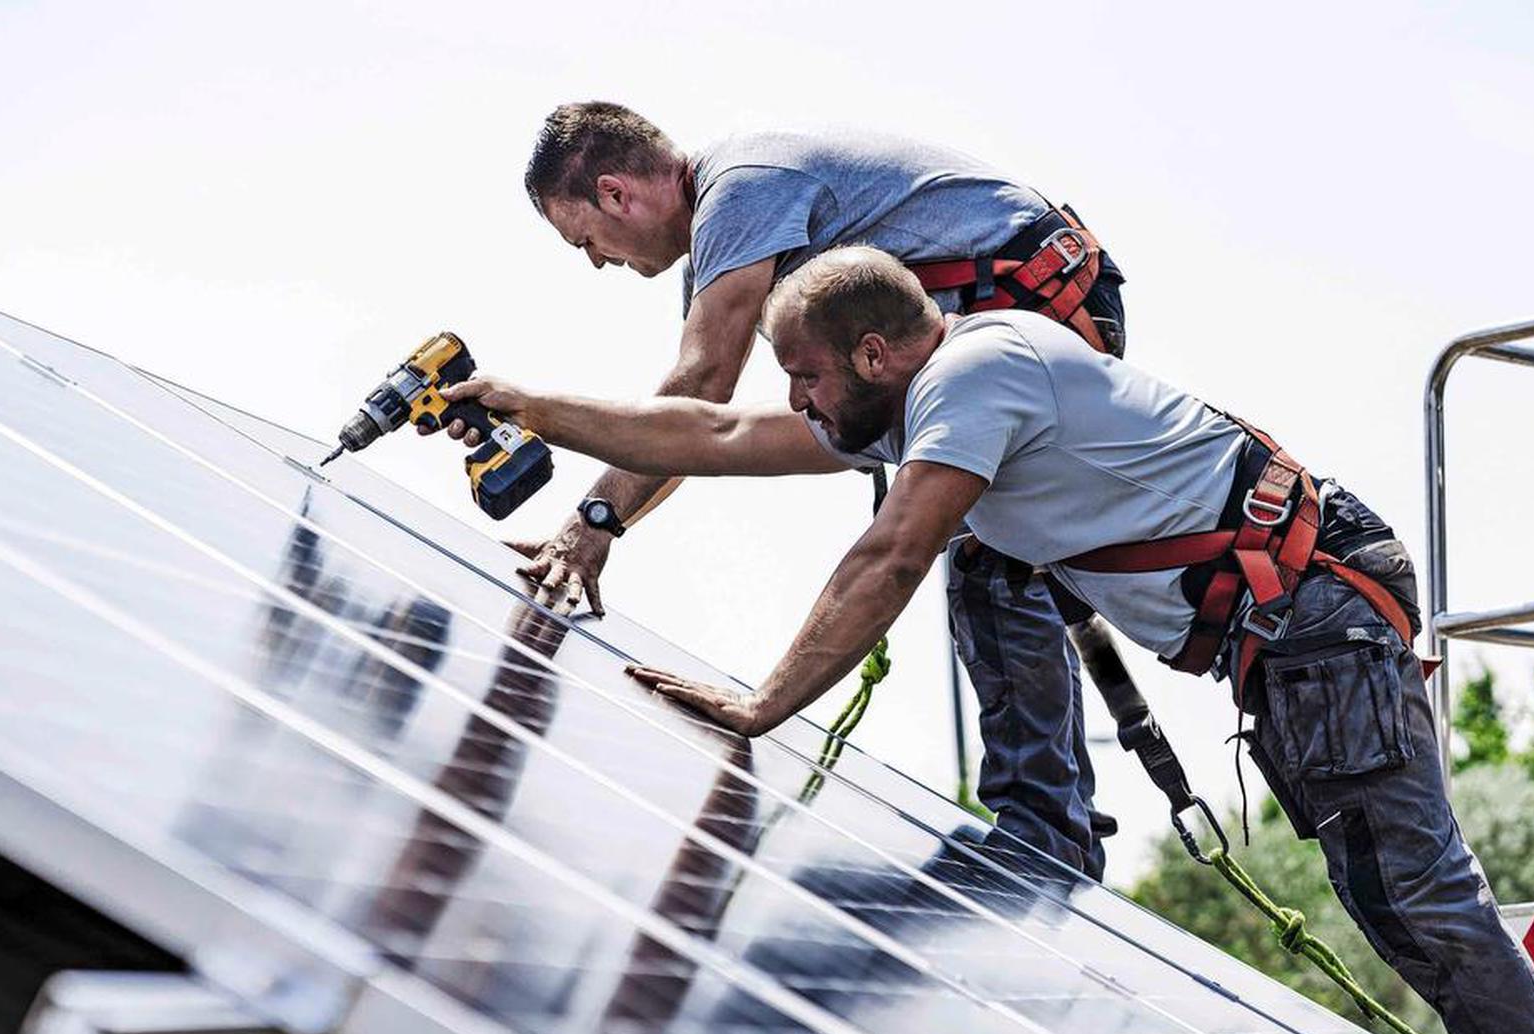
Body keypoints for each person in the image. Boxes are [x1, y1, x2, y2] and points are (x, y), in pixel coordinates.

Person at [437, 247, 1534, 1034]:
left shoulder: (977, 376)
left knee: (1420, 898)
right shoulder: (923, 396)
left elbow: (894, 551)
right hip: (1294, 634)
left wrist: (764, 705)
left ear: (871, 350)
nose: (795, 401)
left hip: (1318, 610)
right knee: (1396, 902)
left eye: (805, 377)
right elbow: (716, 436)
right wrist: (521, 403)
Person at [427, 100, 1126, 878]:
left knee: (985, 558)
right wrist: (595, 520)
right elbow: (704, 435)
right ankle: (1051, 823)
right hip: (1016, 315)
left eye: (584, 238)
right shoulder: (735, 219)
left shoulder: (742, 190)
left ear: (617, 194)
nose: (596, 260)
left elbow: (700, 391)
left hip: (1028, 307)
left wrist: (591, 525)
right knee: (990, 557)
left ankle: (1048, 838)